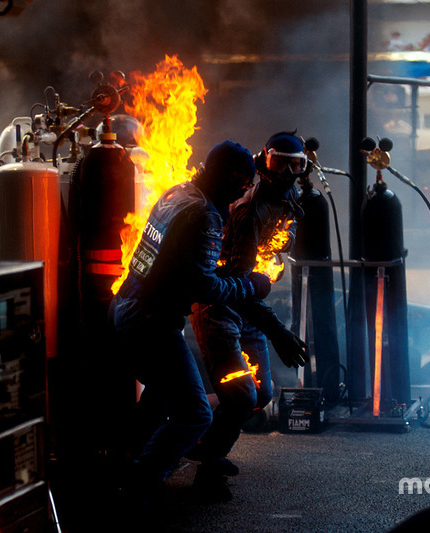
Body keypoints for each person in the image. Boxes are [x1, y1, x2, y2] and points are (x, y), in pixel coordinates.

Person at [108, 140, 273, 508]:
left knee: (160, 398)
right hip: (150, 323)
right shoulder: (204, 214)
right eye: (243, 186)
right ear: (230, 180)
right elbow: (204, 287)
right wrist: (251, 286)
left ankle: (121, 468)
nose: (242, 194)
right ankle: (138, 489)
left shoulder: (177, 193)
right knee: (195, 413)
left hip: (127, 308)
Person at [188, 131, 309, 500]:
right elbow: (237, 287)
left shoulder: (287, 196)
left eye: (296, 164)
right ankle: (206, 464)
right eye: (279, 162)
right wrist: (277, 331)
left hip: (249, 304)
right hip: (222, 306)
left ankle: (198, 433)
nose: (288, 172)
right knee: (241, 396)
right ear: (263, 161)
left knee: (261, 394)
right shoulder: (247, 211)